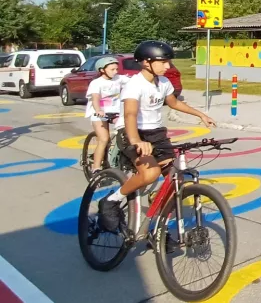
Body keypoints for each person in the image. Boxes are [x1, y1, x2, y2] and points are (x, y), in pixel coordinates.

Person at [98, 41, 216, 231]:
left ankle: (158, 229)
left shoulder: (164, 82)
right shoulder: (134, 84)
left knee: (176, 180)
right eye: (164, 62)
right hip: (132, 131)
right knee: (151, 173)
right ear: (146, 62)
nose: (168, 66)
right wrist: (136, 140)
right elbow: (130, 114)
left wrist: (201, 114)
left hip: (156, 133)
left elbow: (174, 103)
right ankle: (111, 200)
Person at [85, 57, 130, 173]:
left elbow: (134, 82)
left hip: (115, 111)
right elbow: (95, 99)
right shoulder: (96, 83)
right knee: (104, 139)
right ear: (102, 70)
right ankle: (96, 167)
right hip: (99, 113)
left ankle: (120, 157)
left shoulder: (118, 78)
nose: (115, 71)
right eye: (112, 69)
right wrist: (98, 110)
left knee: (126, 129)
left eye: (116, 69)